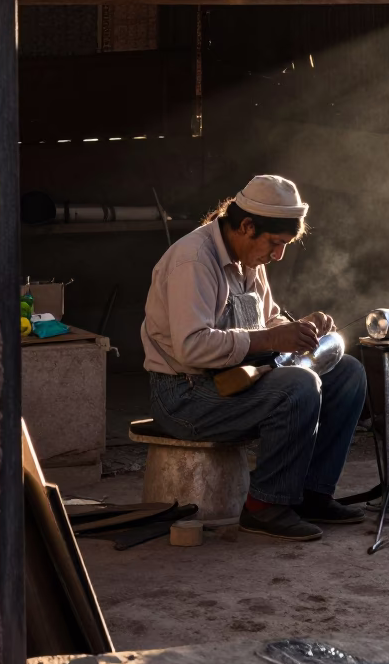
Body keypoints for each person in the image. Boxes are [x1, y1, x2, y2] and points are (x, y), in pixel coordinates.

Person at [141, 174, 367, 541]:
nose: (277, 255)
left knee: (347, 372)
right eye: (275, 244)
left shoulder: (250, 260)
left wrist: (301, 328)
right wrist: (271, 337)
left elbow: (265, 320)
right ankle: (265, 506)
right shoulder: (193, 260)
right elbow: (191, 346)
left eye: (286, 246)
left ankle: (312, 494)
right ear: (246, 225)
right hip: (185, 396)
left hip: (237, 381)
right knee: (298, 385)